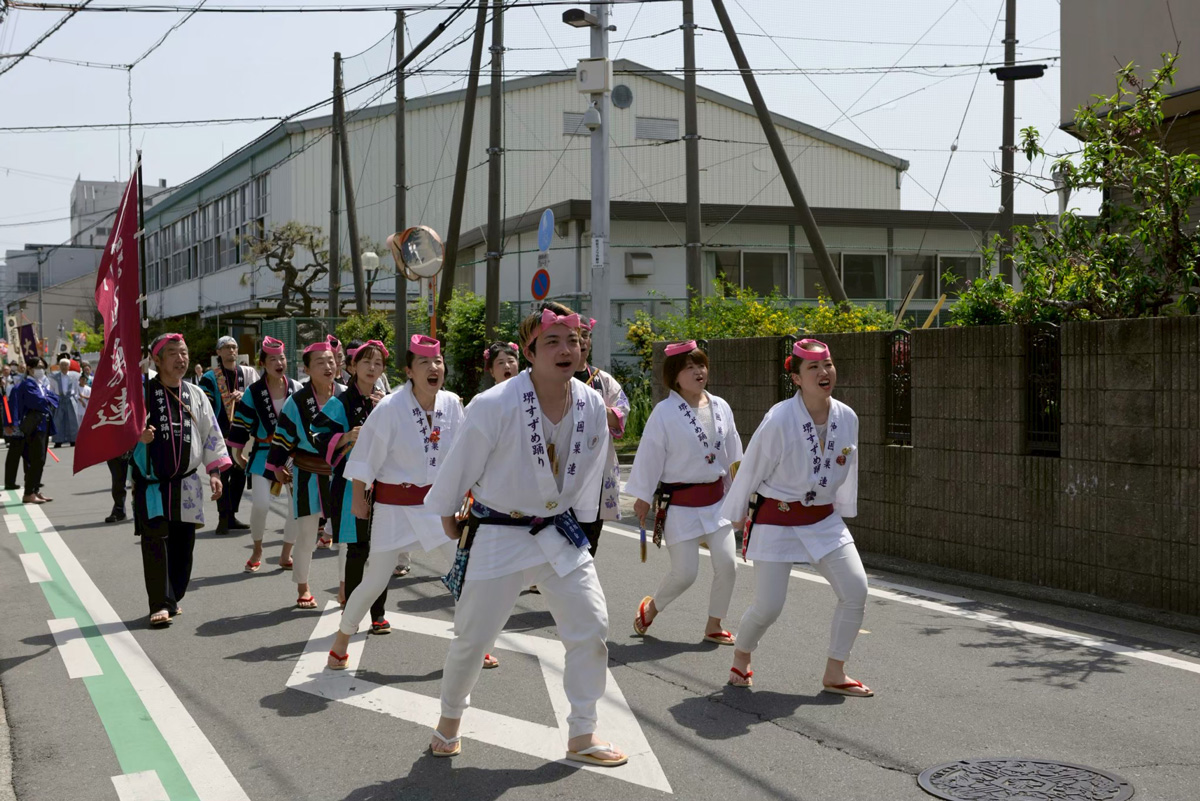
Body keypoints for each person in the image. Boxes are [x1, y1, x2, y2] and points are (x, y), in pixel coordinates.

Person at [424, 306, 626, 766]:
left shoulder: (592, 401)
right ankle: (449, 720)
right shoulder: (495, 402)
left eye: (573, 341)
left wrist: (588, 522)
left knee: (591, 628)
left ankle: (582, 733)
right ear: (530, 351)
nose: (565, 350)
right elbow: (460, 463)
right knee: (474, 637)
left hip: (559, 531)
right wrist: (448, 517)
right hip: (500, 529)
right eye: (552, 342)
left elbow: (594, 467)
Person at [721, 338, 871, 696]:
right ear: (797, 378)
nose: (824, 373)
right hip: (778, 517)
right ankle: (741, 656)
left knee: (856, 589)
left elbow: (848, 469)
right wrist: (737, 513)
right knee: (769, 606)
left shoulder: (847, 417)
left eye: (828, 365)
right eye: (813, 368)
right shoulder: (779, 418)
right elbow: (752, 466)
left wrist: (845, 509)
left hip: (823, 519)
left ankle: (835, 671)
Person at [626, 340, 744, 646]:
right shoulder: (664, 413)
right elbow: (650, 455)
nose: (698, 372)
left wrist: (739, 497)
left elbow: (733, 455)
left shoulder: (721, 407)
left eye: (701, 365)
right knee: (685, 573)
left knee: (728, 564)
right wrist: (641, 496)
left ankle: (714, 624)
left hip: (716, 501)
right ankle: (651, 608)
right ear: (674, 376)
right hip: (679, 505)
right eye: (689, 367)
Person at [131, 333, 230, 627]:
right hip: (152, 485)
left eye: (183, 352)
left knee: (183, 548)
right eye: (172, 353)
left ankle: (172, 596)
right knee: (155, 542)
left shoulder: (196, 395)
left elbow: (211, 434)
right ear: (157, 360)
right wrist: (139, 438)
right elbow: (122, 436)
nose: (180, 358)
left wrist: (213, 472)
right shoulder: (142, 394)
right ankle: (159, 603)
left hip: (187, 484)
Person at [311, 341, 390, 634]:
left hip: (385, 485)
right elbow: (317, 433)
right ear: (353, 366)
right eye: (366, 362)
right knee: (357, 550)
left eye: (378, 363)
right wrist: (347, 437)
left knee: (383, 551)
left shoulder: (389, 401)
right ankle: (353, 613)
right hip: (349, 486)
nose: (372, 368)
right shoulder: (340, 402)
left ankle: (379, 613)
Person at [266, 342, 342, 608]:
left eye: (331, 361)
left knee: (346, 536)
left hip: (340, 473)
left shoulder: (345, 395)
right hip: (307, 472)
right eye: (320, 362)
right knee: (307, 535)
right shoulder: (296, 401)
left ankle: (345, 587)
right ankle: (303, 586)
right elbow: (283, 436)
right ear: (307, 368)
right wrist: (276, 466)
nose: (328, 366)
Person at [228, 337, 302, 573]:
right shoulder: (254, 391)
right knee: (260, 504)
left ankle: (286, 553)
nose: (279, 362)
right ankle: (257, 548)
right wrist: (237, 453)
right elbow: (241, 423)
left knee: (296, 507)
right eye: (273, 359)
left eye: (281, 358)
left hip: (292, 455)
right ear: (263, 363)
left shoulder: (297, 388)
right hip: (263, 453)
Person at [573, 316, 630, 556]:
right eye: (575, 337)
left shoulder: (603, 381)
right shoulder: (551, 380)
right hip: (561, 466)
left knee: (590, 532)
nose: (581, 342)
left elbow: (620, 415)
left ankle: (579, 570)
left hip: (596, 469)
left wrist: (593, 404)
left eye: (585, 336)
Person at [200, 336, 258, 534]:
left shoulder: (247, 373)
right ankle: (223, 517)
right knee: (224, 474)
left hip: (243, 431)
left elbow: (259, 394)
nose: (231, 351)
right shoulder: (210, 377)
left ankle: (231, 513)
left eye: (234, 347)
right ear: (218, 352)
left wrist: (245, 396)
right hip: (220, 431)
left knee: (241, 471)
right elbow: (205, 404)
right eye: (226, 347)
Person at [9, 358, 57, 504]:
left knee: (40, 460)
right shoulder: (27, 384)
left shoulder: (40, 384)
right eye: (38, 367)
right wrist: (47, 397)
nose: (41, 370)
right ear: (29, 368)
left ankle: (35, 490)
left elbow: (54, 399)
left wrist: (47, 397)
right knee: (36, 460)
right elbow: (39, 402)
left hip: (43, 424)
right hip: (35, 427)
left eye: (43, 367)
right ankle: (29, 492)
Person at [49, 357, 79, 447]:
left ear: (69, 366)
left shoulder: (75, 376)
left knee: (73, 420)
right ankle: (58, 440)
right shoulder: (54, 376)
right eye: (62, 365)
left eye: (66, 365)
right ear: (59, 366)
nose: (64, 367)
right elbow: (52, 389)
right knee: (58, 420)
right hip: (59, 399)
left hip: (70, 399)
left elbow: (76, 389)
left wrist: (74, 398)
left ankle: (73, 439)